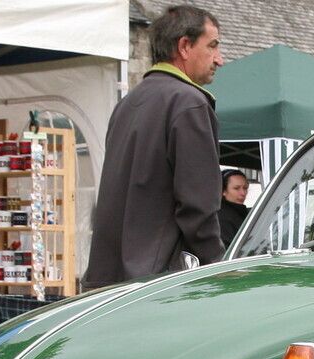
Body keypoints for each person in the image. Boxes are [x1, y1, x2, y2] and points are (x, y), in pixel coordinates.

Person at [84, 5, 225, 288]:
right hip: (158, 286)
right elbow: (198, 208)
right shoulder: (189, 103)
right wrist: (220, 267)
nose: (219, 59)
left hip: (107, 285)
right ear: (184, 46)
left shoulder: (126, 105)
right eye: (212, 46)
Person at [218, 169, 250, 246]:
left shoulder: (242, 212)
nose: (243, 193)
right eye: (236, 188)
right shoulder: (222, 217)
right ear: (223, 191)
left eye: (245, 188)